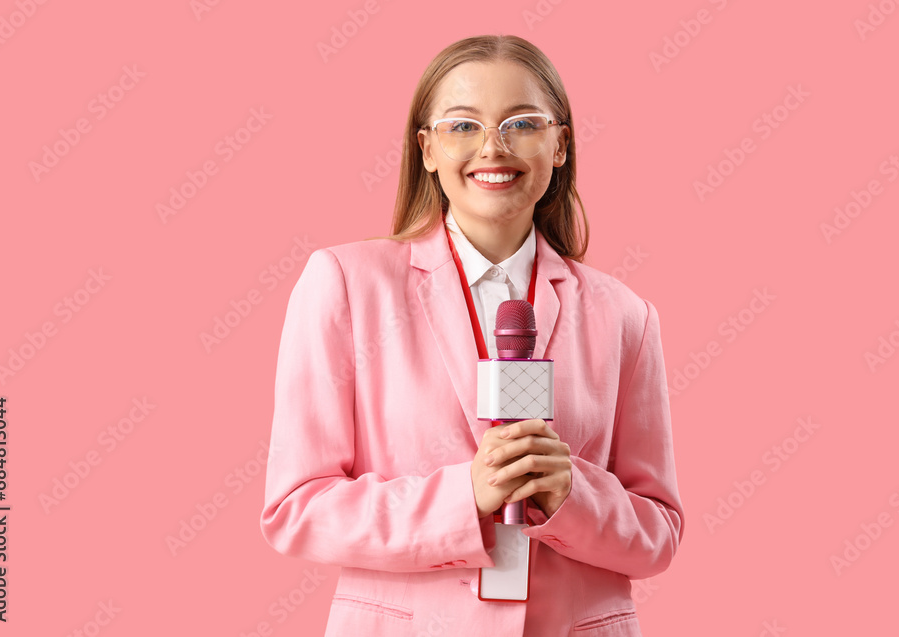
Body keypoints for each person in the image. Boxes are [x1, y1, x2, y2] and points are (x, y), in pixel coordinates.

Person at [260, 34, 684, 637]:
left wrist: (574, 493)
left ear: (559, 143)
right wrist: (465, 496)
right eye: (463, 125)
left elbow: (659, 534)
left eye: (522, 123)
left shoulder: (626, 316)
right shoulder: (346, 286)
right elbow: (296, 510)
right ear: (426, 148)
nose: (493, 146)